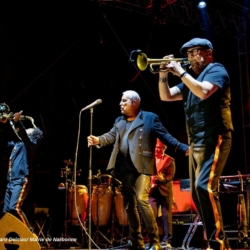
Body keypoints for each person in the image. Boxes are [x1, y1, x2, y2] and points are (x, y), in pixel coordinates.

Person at [157, 38, 234, 250]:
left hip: (214, 136)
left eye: (195, 52)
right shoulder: (191, 78)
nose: (190, 57)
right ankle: (218, 241)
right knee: (197, 192)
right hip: (196, 140)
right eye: (188, 53)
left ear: (208, 52)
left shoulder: (217, 70)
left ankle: (216, 242)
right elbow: (166, 95)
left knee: (203, 187)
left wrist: (181, 72)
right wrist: (164, 73)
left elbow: (203, 91)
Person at [87, 90, 189, 250]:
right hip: (125, 167)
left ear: (134, 103)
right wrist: (98, 140)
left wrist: (182, 147)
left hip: (143, 166)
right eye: (120, 101)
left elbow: (165, 136)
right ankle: (137, 241)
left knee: (141, 199)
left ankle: (155, 242)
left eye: (124, 101)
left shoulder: (149, 118)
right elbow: (111, 136)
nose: (120, 104)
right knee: (129, 204)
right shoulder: (119, 120)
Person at [0, 110, 43, 234]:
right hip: (11, 180)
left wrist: (18, 123)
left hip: (21, 178)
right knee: (6, 212)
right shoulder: (18, 145)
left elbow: (23, 135)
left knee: (15, 208)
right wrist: (3, 125)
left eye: (28, 131)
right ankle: (9, 236)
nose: (26, 130)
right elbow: (2, 143)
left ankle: (29, 234)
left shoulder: (31, 144)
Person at [149, 139, 175, 249]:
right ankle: (153, 241)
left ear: (164, 148)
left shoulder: (169, 160)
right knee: (151, 216)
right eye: (156, 148)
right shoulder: (151, 159)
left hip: (165, 192)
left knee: (166, 218)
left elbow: (171, 176)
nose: (157, 150)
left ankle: (167, 241)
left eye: (159, 148)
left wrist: (162, 179)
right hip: (152, 192)